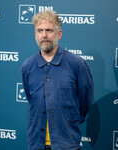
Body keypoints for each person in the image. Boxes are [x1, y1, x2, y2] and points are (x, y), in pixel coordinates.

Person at [21, 10, 94, 150]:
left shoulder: (77, 64)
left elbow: (85, 102)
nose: (44, 35)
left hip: (66, 144)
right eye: (39, 30)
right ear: (35, 34)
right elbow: (31, 99)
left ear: (59, 34)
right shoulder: (27, 66)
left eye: (49, 30)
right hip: (36, 144)